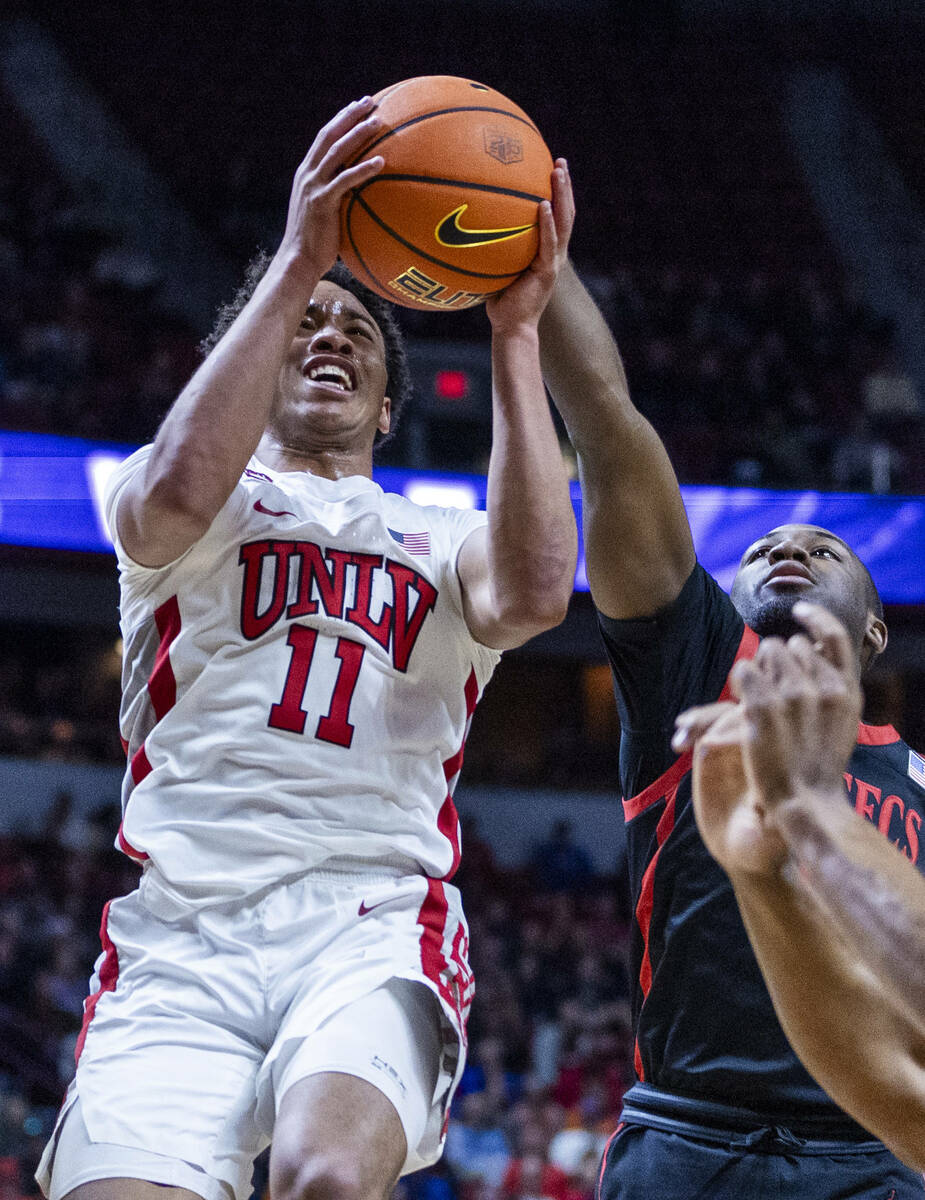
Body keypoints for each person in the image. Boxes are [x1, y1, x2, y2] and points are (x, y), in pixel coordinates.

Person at [37, 97, 577, 1200]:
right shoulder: (193, 498)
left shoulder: (441, 537)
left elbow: (532, 593)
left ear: (387, 412)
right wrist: (299, 259)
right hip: (180, 932)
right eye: (305, 326)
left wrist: (515, 333)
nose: (330, 334)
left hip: (367, 919)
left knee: (326, 1177)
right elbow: (179, 486)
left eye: (359, 334)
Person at [537, 225, 925, 1197]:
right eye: (759, 551)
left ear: (874, 636)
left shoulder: (919, 781)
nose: (786, 548)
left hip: (881, 1143)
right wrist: (536, 282)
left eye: (823, 550)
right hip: (691, 1133)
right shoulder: (698, 669)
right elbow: (612, 433)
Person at [674, 601, 925, 1169]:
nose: (789, 556)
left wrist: (811, 808)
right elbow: (908, 1110)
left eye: (821, 550)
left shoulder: (909, 774)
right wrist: (762, 881)